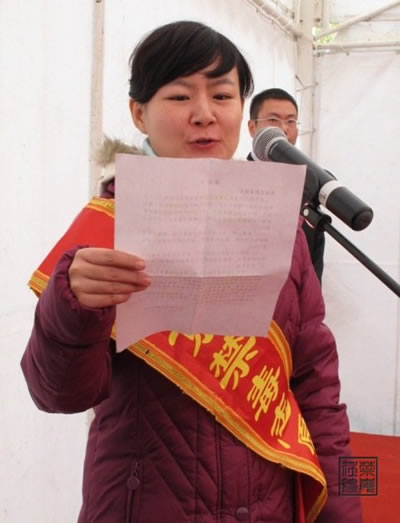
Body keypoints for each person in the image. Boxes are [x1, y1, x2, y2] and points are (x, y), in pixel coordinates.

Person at [21, 21, 361, 523]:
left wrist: (350, 505)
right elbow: (56, 394)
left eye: (222, 95)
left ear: (242, 112)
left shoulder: (281, 228)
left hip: (268, 503)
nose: (205, 114)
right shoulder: (105, 230)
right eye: (180, 96)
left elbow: (320, 392)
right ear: (139, 113)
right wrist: (72, 309)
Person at [247, 88, 325, 282]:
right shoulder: (232, 182)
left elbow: (314, 262)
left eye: (291, 121)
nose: (283, 129)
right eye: (273, 120)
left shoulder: (308, 185)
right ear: (252, 128)